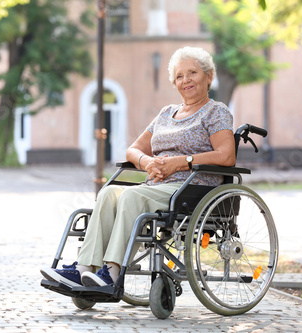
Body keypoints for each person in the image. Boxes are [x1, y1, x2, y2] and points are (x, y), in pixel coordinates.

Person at [40, 46, 236, 288]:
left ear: (209, 76)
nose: (186, 80)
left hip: (192, 188)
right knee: (110, 192)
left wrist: (181, 162)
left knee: (132, 196)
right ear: (174, 83)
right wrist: (146, 161)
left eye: (192, 73)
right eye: (179, 76)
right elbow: (133, 149)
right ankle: (83, 269)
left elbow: (226, 156)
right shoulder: (167, 113)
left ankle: (111, 272)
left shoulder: (216, 112)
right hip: (157, 185)